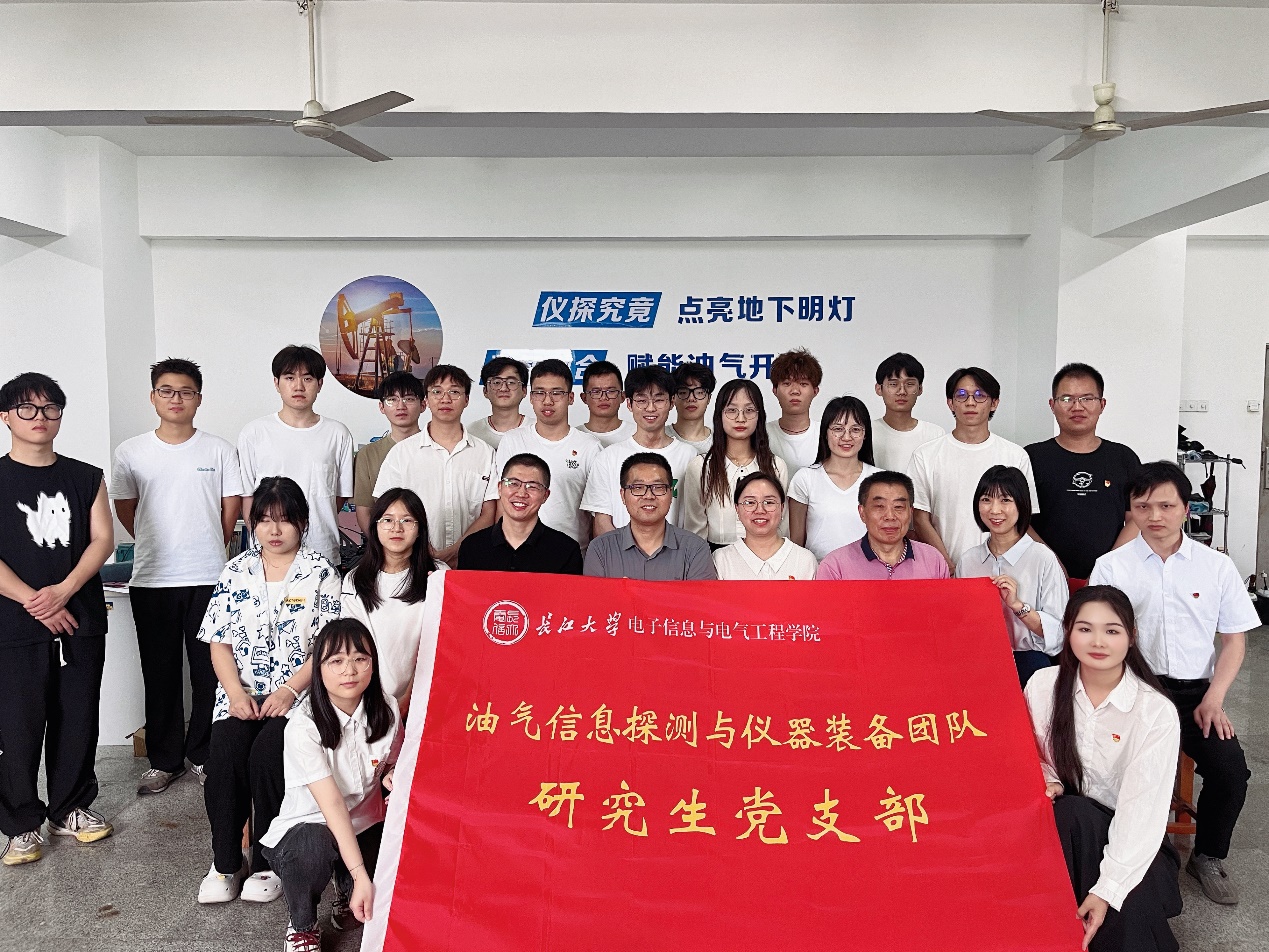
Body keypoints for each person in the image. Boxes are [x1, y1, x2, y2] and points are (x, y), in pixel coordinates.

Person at [1090, 461, 1260, 906]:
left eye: (1166, 506)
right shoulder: (1112, 567)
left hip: (1196, 695)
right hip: (1134, 691)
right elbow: (1098, 640)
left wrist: (1215, 698)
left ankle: (1208, 856)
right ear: (1130, 510)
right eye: (1143, 506)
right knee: (1113, 770)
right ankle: (1130, 852)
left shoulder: (1216, 567)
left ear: (1187, 508)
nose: (1155, 516)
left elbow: (1234, 641)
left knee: (1231, 772)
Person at [196, 476, 342, 905]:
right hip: (240, 695)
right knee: (224, 755)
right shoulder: (235, 570)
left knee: (267, 756)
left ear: (303, 523)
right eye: (263, 520)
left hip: (299, 699)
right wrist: (235, 694)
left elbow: (327, 646)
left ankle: (266, 860)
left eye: (285, 520)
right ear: (252, 524)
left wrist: (290, 691)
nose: (274, 530)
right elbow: (218, 642)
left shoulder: (320, 572)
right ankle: (226, 862)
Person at [1024, 586, 1183, 952]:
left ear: (1132, 636)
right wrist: (1049, 779)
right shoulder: (1043, 685)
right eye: (1085, 629)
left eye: (1112, 630)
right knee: (1069, 811)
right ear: (1068, 631)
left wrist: (1107, 889)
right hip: (1065, 832)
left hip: (1135, 840)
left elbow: (1141, 812)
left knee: (1123, 904)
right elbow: (1027, 755)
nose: (1098, 641)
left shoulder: (1154, 711)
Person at [111, 357, 243, 795]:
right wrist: (157, 542)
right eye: (166, 391)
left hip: (209, 578)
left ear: (198, 399)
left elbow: (230, 511)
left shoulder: (219, 449)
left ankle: (203, 753)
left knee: (210, 671)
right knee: (160, 672)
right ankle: (164, 760)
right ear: (153, 397)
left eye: (186, 391)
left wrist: (206, 546)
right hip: (152, 579)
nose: (176, 399)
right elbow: (127, 509)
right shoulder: (131, 452)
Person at [0, 373, 114, 866]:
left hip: (79, 617)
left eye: (50, 408)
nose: (40, 417)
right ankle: (20, 824)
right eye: (27, 409)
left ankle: (70, 808)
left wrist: (65, 590)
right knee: (17, 725)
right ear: (6, 417)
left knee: (77, 717)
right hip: (13, 623)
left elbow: (103, 540)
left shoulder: (85, 476)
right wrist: (35, 601)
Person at [260, 618, 402, 952]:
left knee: (395, 866)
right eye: (336, 661)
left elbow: (394, 759)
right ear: (319, 670)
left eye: (360, 659)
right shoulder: (303, 726)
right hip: (308, 830)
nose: (349, 670)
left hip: (364, 824)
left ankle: (345, 887)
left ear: (373, 664)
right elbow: (333, 806)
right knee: (312, 847)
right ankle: (303, 926)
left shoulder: (387, 708)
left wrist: (391, 773)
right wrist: (361, 874)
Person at [908, 366, 1039, 572]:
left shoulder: (1015, 455)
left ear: (994, 403)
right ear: (950, 403)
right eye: (961, 395)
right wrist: (948, 567)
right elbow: (920, 518)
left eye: (980, 395)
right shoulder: (925, 455)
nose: (970, 402)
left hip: (1004, 572)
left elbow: (1022, 519)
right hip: (944, 570)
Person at [237, 345, 355, 567]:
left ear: (320, 384)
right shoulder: (254, 433)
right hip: (268, 555)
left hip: (322, 552)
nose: (298, 386)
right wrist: (261, 542)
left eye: (307, 378)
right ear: (276, 383)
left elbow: (339, 496)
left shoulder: (338, 434)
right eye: (290, 378)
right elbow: (248, 496)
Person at [955, 466, 1068, 687]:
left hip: (1030, 663)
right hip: (978, 662)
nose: (994, 510)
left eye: (1005, 500)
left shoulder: (1042, 558)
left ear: (1021, 504)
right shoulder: (969, 560)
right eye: (986, 500)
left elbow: (1058, 635)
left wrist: (1017, 606)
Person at [373, 365, 496, 567]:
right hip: (414, 561)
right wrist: (423, 547)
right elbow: (386, 508)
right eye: (437, 392)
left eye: (454, 392)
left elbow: (488, 513)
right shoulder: (402, 453)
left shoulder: (485, 453)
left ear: (466, 400)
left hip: (470, 560)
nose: (445, 399)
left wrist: (456, 550)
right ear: (427, 400)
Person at [1027, 363, 1142, 580]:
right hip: (1041, 575)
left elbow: (1136, 518)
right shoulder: (1031, 457)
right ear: (1052, 405)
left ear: (1102, 404)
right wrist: (1051, 565)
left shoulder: (1123, 458)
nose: (1077, 407)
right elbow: (1019, 521)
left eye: (1087, 398)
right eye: (1067, 399)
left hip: (1110, 578)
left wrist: (1106, 568)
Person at [340, 488, 444, 717]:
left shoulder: (439, 576)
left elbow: (441, 646)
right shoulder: (356, 580)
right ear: (375, 527)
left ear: (420, 529)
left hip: (427, 698)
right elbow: (353, 645)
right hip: (368, 699)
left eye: (407, 520)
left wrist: (410, 697)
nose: (397, 528)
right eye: (387, 520)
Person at [488, 359, 602, 544]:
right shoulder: (513, 440)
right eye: (540, 392)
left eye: (556, 393)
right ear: (531, 397)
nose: (547, 401)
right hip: (517, 549)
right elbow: (502, 502)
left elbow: (598, 513)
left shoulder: (589, 446)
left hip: (572, 551)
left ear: (570, 398)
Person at [580, 366, 699, 536]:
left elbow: (695, 519)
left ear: (672, 402)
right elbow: (601, 520)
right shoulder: (608, 457)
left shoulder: (690, 456)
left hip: (677, 551)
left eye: (659, 400)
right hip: (621, 552)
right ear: (629, 404)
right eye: (641, 400)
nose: (650, 408)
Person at [681, 379, 789, 550]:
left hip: (765, 554)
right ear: (720, 415)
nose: (741, 418)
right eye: (731, 410)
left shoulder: (776, 466)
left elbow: (782, 528)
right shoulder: (701, 467)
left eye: (749, 410)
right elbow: (695, 531)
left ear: (759, 415)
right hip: (714, 555)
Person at [584, 453, 717, 580]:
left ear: (671, 494)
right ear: (623, 495)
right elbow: (594, 596)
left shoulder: (695, 548)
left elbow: (699, 597)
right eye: (638, 487)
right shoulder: (600, 549)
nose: (648, 496)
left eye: (658, 487)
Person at [788, 396, 879, 561]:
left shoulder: (879, 480)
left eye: (855, 429)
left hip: (869, 572)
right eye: (838, 429)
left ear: (865, 434)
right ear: (825, 432)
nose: (846, 437)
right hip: (820, 571)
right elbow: (796, 544)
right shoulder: (806, 478)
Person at [460, 454, 584, 574]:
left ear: (545, 495)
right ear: (500, 488)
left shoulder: (566, 550)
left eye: (532, 486)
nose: (521, 493)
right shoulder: (472, 546)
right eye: (513, 483)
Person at [814, 471, 950, 581]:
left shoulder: (933, 560)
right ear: (862, 513)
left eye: (898, 507)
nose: (890, 516)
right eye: (879, 506)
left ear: (910, 513)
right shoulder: (835, 566)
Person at [353, 372, 424, 537]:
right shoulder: (367, 454)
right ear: (381, 407)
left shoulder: (436, 449)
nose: (401, 406)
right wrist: (384, 546)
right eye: (392, 399)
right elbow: (364, 511)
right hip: (385, 543)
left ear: (423, 404)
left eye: (409, 399)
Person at [712, 473, 816, 580]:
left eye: (769, 502)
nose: (760, 510)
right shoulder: (721, 560)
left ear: (782, 508)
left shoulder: (805, 560)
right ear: (737, 509)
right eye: (750, 502)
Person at [871, 353, 945, 473]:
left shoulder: (935, 434)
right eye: (893, 384)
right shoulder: (867, 432)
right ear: (879, 389)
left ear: (920, 389)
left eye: (910, 384)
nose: (902, 391)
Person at [765, 349, 823, 472]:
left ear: (815, 391)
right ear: (775, 390)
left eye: (803, 384)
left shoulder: (825, 435)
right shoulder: (762, 434)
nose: (795, 391)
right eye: (787, 383)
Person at [467, 356, 530, 450]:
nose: (504, 388)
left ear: (524, 391)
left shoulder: (538, 430)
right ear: (485, 391)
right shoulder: (472, 432)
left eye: (511, 382)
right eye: (496, 382)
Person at [576, 360, 635, 448]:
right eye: (596, 392)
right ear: (584, 398)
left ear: (622, 396)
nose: (604, 398)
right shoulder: (574, 437)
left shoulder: (637, 435)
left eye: (611, 391)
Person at [667, 362, 715, 454]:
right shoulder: (660, 437)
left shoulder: (720, 443)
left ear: (709, 398)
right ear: (673, 398)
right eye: (683, 392)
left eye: (699, 392)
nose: (691, 398)